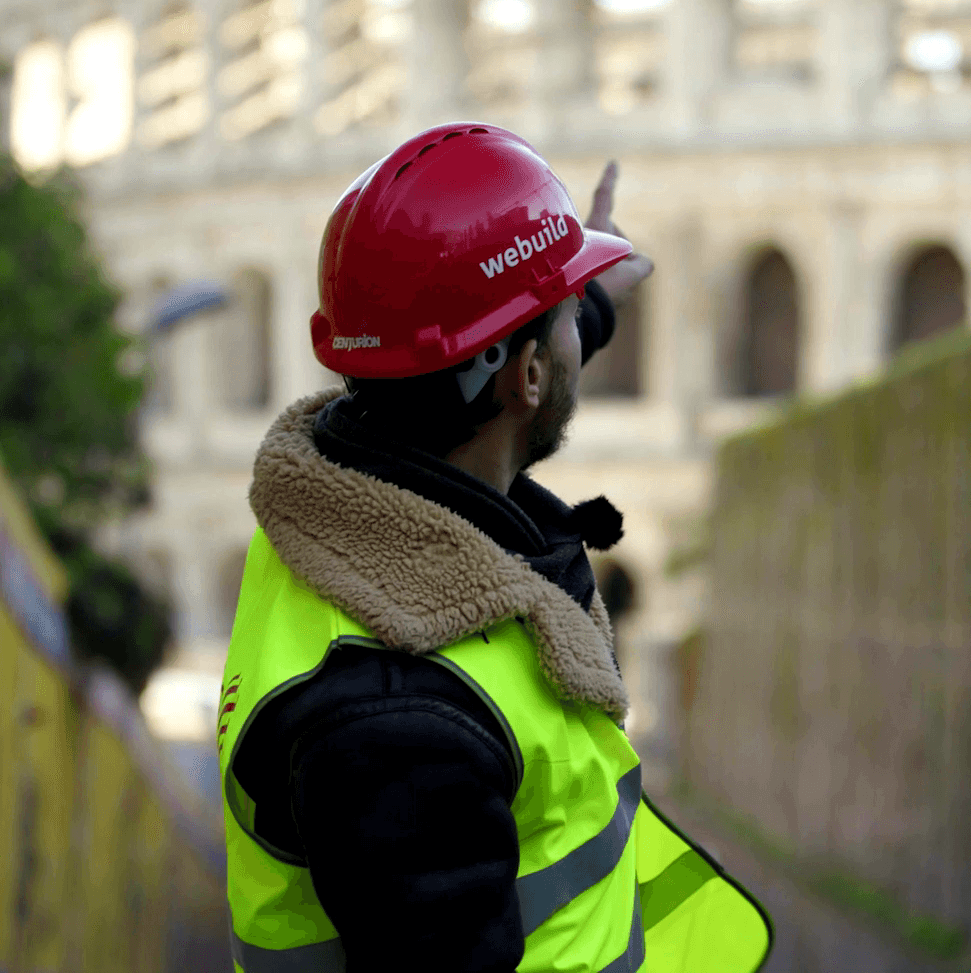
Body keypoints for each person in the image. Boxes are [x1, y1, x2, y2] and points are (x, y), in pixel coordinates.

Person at [216, 123, 773, 973]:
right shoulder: (400, 730)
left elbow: (486, 362)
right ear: (529, 376)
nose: (577, 327)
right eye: (568, 318)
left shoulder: (334, 495)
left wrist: (585, 297)